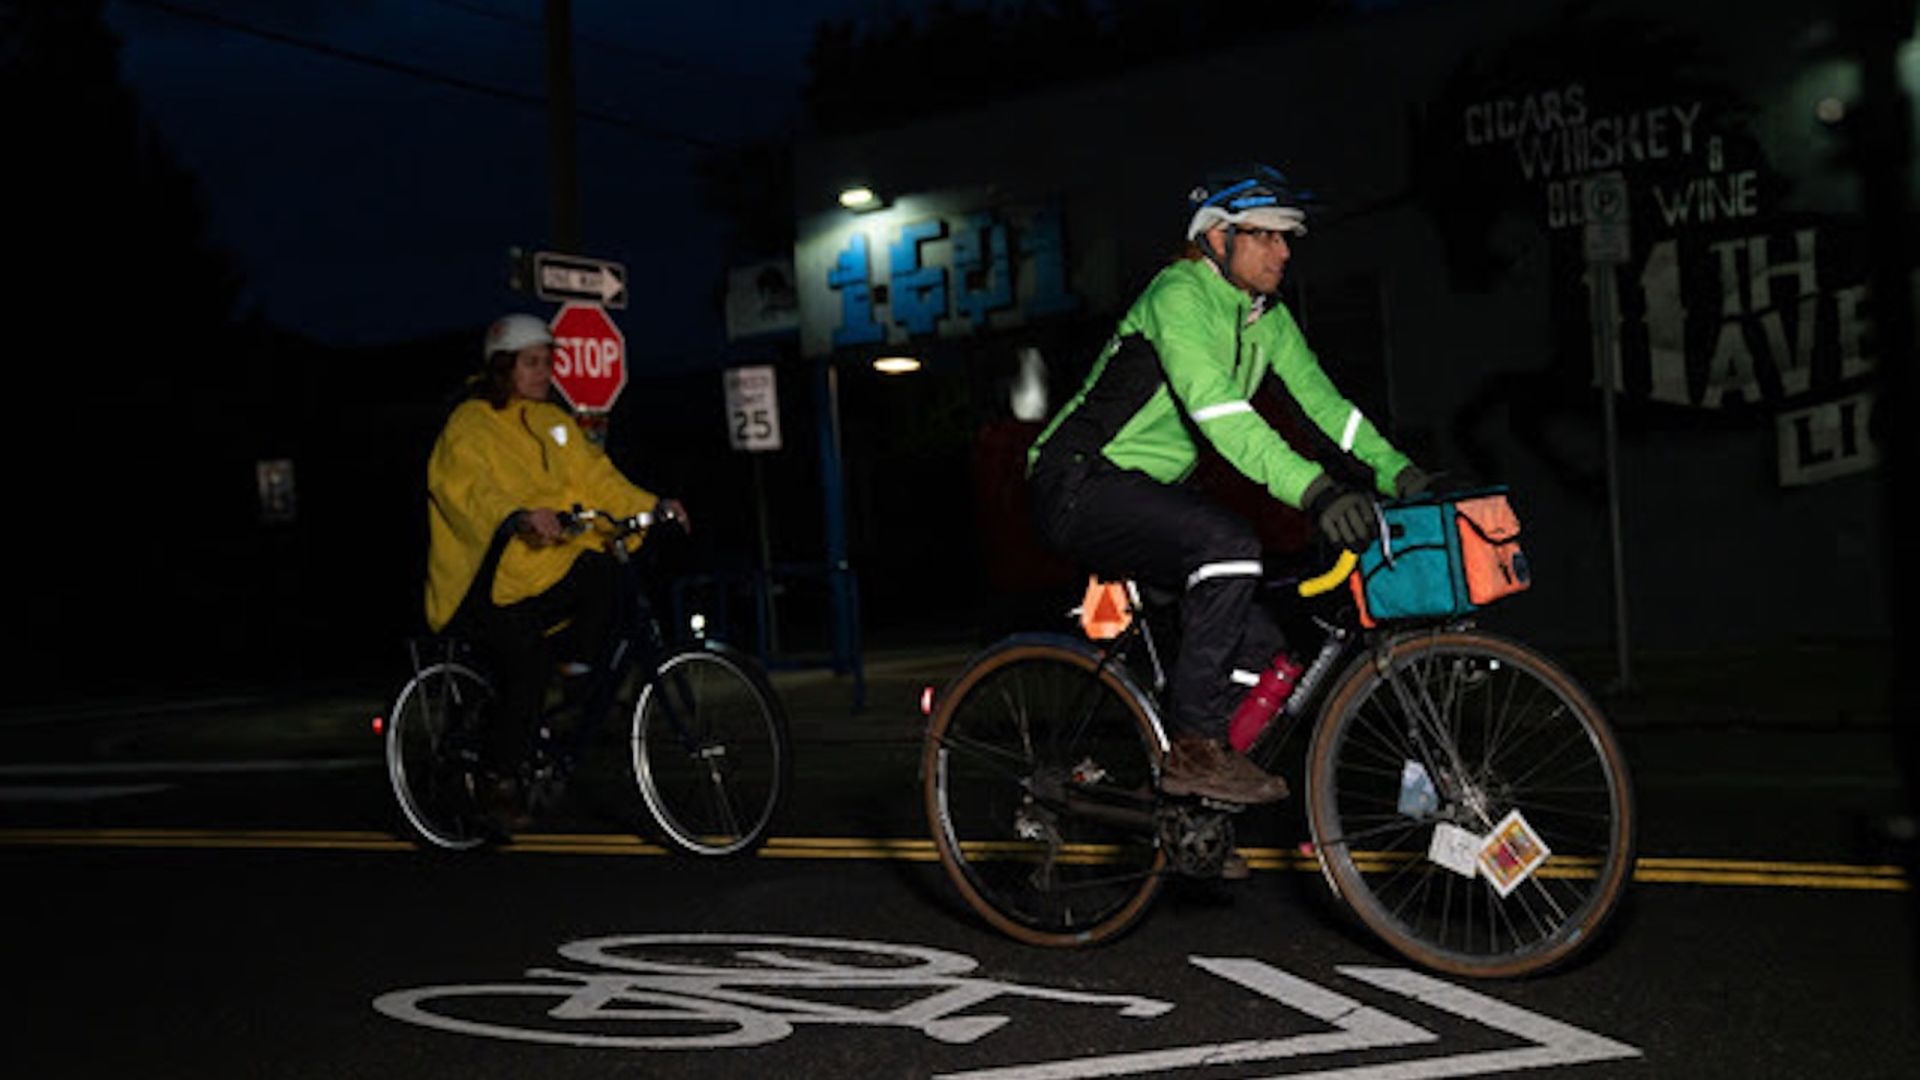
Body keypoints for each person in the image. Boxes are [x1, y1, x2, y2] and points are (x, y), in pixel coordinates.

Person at [1027, 164, 1430, 807]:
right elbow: (1221, 414)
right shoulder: (1177, 296)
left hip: (1148, 491)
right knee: (1229, 546)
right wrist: (1317, 491)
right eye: (1266, 235)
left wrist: (1398, 471)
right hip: (1077, 479)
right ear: (1218, 237)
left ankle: (1192, 812)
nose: (1283, 250)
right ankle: (1194, 749)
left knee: (1263, 646)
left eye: (1287, 236)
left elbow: (1327, 408)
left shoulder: (1264, 317)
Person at [423, 313, 688, 826]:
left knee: (604, 571)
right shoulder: (470, 424)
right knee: (528, 662)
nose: (544, 372)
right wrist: (516, 516)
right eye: (532, 363)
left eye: (547, 362)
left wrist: (653, 505)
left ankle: (576, 674)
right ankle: (499, 779)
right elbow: (466, 490)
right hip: (485, 582)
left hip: (543, 569)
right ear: (503, 367)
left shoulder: (555, 423)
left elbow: (598, 478)